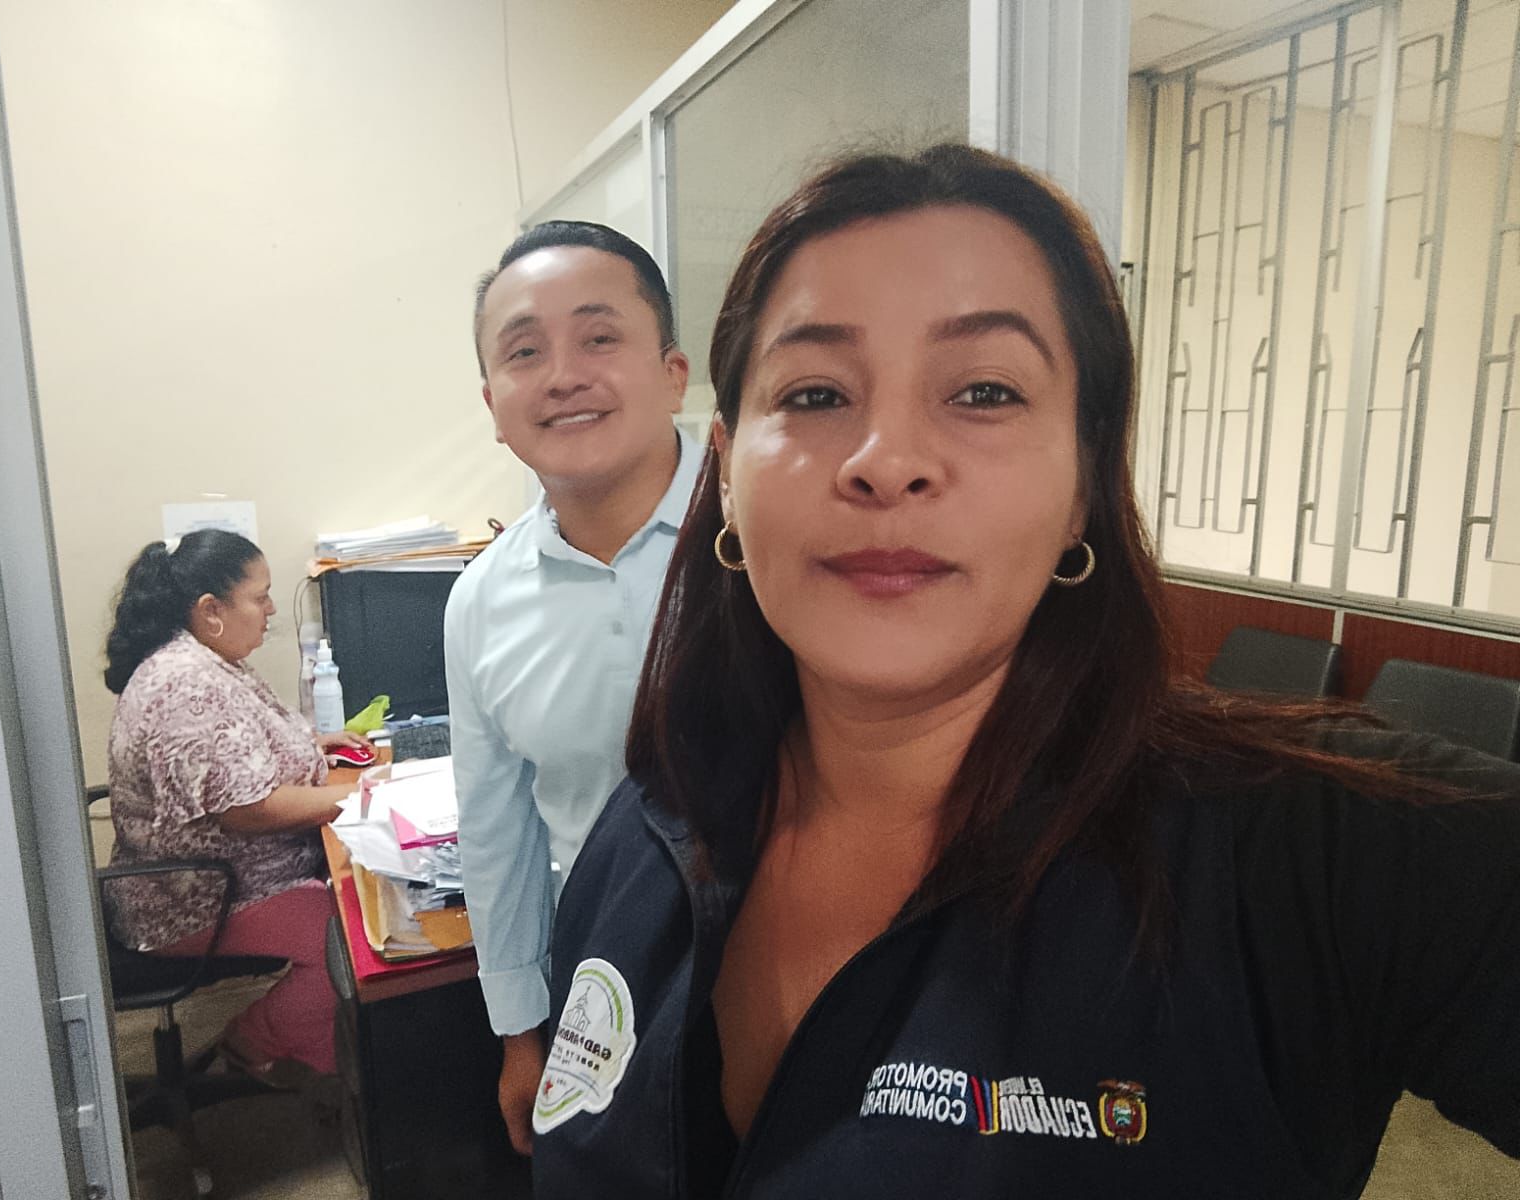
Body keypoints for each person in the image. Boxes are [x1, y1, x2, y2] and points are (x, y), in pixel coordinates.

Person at [529, 145, 1520, 1197]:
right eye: (815, 393)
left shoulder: (1304, 853)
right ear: (728, 472)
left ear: (1086, 482)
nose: (885, 460)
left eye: (984, 390)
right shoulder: (653, 821)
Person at [445, 220, 699, 1153]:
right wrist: (521, 1034)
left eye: (599, 337)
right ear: (493, 401)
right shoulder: (480, 602)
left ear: (672, 372)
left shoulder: (778, 530)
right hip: (611, 992)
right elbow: (498, 829)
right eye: (524, 352)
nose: (562, 376)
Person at [103, 529, 369, 1084]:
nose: (270, 610)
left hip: (219, 878)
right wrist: (361, 795)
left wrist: (316, 745)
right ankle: (251, 1045)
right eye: (260, 596)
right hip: (195, 899)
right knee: (351, 937)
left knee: (363, 892)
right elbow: (248, 810)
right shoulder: (185, 683)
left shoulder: (207, 661)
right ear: (210, 610)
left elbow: (239, 747)